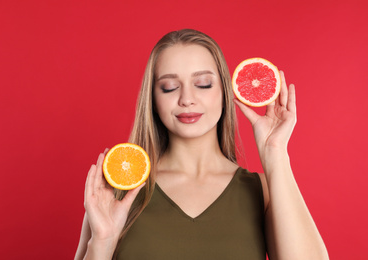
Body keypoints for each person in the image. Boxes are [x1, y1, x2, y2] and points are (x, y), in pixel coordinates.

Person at [75, 29, 329, 260]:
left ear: (225, 92)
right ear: (152, 100)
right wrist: (103, 241)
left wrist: (275, 153)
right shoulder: (117, 188)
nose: (187, 99)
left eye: (203, 84)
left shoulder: (262, 191)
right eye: (169, 87)